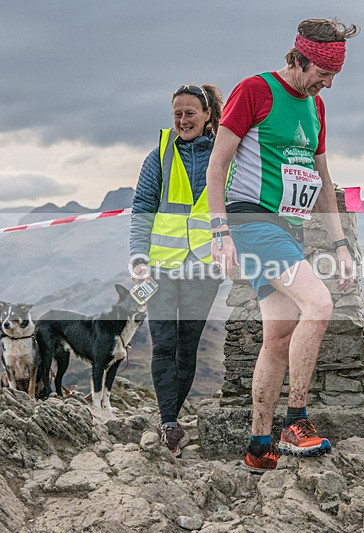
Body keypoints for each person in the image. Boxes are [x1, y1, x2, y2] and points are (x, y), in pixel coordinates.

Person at [205, 18, 357, 474]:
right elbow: (218, 165)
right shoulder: (255, 90)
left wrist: (341, 244)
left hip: (287, 229)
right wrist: (219, 231)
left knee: (276, 339)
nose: (327, 83)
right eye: (322, 73)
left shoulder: (317, 108)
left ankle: (258, 444)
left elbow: (324, 182)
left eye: (333, 77)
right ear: (299, 58)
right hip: (252, 221)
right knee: (321, 304)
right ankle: (297, 419)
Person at [129, 84, 225, 457]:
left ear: (207, 115)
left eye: (190, 113)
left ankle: (173, 416)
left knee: (188, 346)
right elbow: (142, 209)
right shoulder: (159, 157)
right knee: (163, 343)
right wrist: (138, 258)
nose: (183, 120)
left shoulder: (224, 153)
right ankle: (169, 421)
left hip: (204, 267)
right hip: (161, 265)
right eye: (177, 114)